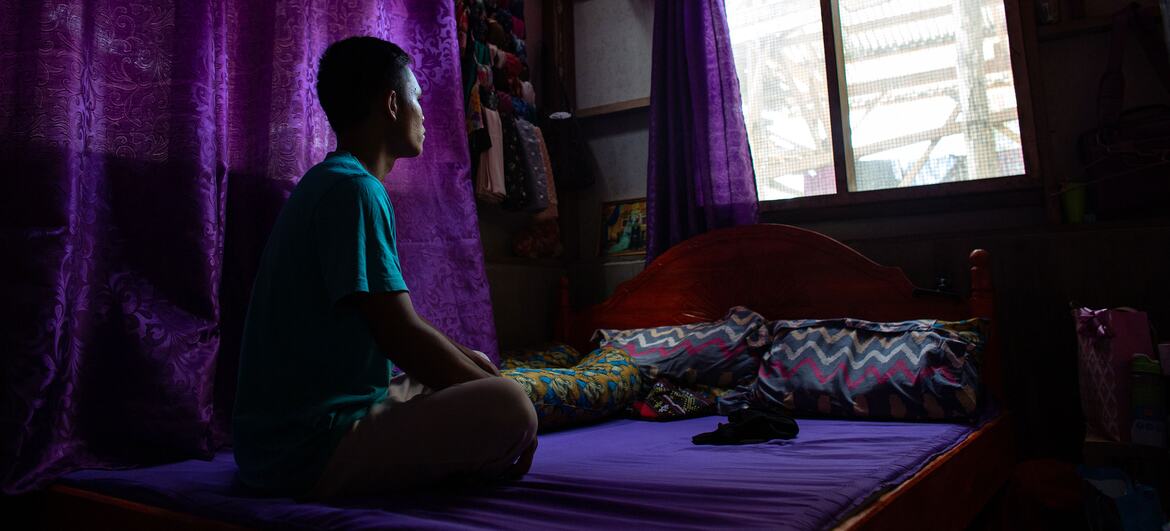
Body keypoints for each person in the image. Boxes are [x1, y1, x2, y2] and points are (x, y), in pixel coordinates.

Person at [232, 36, 537, 499]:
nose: (423, 112)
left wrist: (474, 370)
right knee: (512, 406)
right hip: (306, 450)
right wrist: (507, 401)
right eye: (416, 97)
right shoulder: (354, 190)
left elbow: (397, 328)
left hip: (287, 439)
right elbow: (400, 334)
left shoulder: (333, 181)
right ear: (392, 104)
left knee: (470, 363)